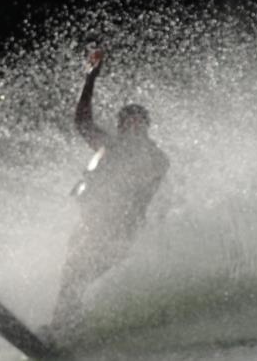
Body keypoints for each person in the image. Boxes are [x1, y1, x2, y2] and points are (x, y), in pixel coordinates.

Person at [50, 46, 169, 332]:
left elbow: (146, 188)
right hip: (92, 224)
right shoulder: (111, 146)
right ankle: (61, 330)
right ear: (120, 126)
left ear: (146, 128)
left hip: (120, 230)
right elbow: (82, 122)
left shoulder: (156, 159)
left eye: (138, 123)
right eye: (127, 123)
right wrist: (90, 78)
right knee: (70, 276)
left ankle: (69, 330)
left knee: (81, 274)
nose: (133, 127)